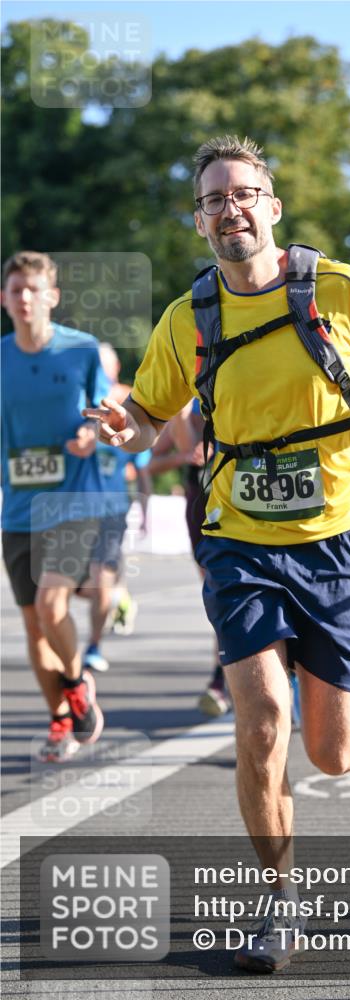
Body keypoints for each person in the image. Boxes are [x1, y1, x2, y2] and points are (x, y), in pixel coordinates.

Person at [84, 135, 350, 973]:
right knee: (260, 720)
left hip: (336, 541)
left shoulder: (339, 290)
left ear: (271, 206)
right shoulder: (188, 318)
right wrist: (119, 427)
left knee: (328, 751)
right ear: (198, 221)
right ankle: (279, 902)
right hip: (238, 539)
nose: (228, 209)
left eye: (242, 194)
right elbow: (148, 414)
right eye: (212, 200)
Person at [1, 251, 106, 762]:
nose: (24, 298)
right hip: (18, 509)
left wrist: (92, 432)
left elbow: (106, 415)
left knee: (50, 606)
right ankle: (62, 715)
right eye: (15, 289)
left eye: (32, 289)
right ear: (4, 298)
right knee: (33, 626)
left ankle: (77, 679)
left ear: (52, 297)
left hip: (73, 501)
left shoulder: (82, 350)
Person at [147, 399, 230, 716]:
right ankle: (222, 677)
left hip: (240, 498)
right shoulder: (188, 402)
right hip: (201, 504)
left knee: (231, 591)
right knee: (220, 592)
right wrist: (181, 424)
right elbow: (154, 463)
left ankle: (221, 680)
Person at [79, 343, 152, 672]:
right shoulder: (75, 404)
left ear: (116, 367)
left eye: (103, 366)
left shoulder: (129, 406)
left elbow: (143, 466)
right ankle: (117, 595)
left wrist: (145, 508)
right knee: (72, 583)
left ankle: (93, 645)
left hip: (111, 509)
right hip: (71, 507)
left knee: (100, 576)